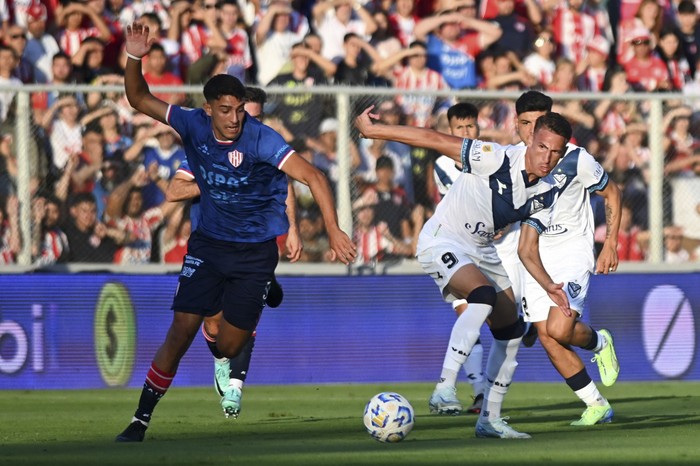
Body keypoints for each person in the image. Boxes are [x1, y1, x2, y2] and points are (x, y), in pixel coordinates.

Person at [116, 23, 355, 442]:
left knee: (227, 347)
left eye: (239, 110)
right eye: (225, 110)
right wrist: (135, 57)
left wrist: (334, 230)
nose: (233, 118)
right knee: (180, 331)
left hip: (255, 253)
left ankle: (246, 309)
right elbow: (137, 97)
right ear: (208, 108)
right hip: (207, 246)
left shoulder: (262, 139)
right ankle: (139, 420)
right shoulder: (190, 124)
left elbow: (314, 176)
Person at [356, 106, 573, 439]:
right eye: (542, 146)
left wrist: (548, 287)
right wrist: (376, 131)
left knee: (511, 333)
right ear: (530, 140)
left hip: (482, 250)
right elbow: (430, 138)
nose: (547, 157)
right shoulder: (495, 157)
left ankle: (489, 420)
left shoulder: (547, 191)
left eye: (556, 151)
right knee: (482, 295)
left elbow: (527, 249)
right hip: (444, 238)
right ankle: (444, 387)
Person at [165, 86, 302, 419]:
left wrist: (293, 230)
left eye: (250, 115)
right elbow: (173, 190)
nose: (242, 122)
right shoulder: (205, 148)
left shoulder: (264, 147)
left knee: (244, 315)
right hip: (211, 244)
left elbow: (288, 186)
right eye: (238, 113)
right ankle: (221, 358)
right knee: (212, 324)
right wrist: (218, 181)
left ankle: (236, 388)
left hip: (254, 242)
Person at [514, 91, 622, 427]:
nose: (533, 131)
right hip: (535, 255)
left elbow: (612, 192)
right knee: (546, 335)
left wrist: (610, 243)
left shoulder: (578, 159)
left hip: (572, 251)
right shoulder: (516, 159)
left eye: (538, 122)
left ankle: (599, 341)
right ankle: (595, 403)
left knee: (560, 328)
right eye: (526, 123)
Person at [430, 102, 486, 415]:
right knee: (469, 315)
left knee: (501, 319)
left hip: (494, 247)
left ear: (478, 127)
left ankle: (524, 326)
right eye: (459, 128)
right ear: (450, 132)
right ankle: (479, 394)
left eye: (470, 127)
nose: (466, 133)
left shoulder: (492, 156)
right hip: (458, 247)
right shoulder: (442, 164)